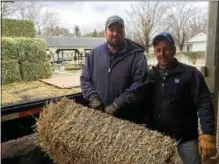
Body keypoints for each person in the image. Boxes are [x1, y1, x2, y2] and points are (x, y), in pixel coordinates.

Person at [147, 32, 217, 163]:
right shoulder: (150, 76)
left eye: (166, 49)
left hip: (186, 138)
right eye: (158, 50)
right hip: (157, 138)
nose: (162, 54)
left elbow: (204, 103)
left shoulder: (190, 74)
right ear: (154, 52)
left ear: (173, 49)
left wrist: (207, 133)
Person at [80, 15, 149, 123]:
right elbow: (85, 79)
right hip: (99, 116)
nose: (115, 34)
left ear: (124, 32)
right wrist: (93, 97)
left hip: (127, 119)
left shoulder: (137, 56)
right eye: (111, 30)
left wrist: (117, 104)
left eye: (119, 30)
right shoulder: (94, 54)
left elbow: (140, 85)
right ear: (105, 32)